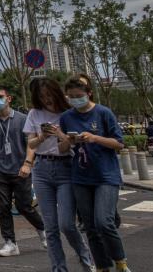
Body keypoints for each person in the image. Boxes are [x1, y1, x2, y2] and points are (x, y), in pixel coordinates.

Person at [59, 77, 130, 272]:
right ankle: (102, 267)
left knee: (104, 221)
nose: (75, 99)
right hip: (81, 177)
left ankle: (120, 262)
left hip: (106, 175)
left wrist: (95, 138)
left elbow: (119, 143)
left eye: (79, 96)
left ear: (88, 93)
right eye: (71, 97)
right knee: (90, 227)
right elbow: (62, 147)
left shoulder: (103, 113)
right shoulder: (66, 117)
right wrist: (68, 140)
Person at [24, 78, 95, 271]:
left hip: (65, 169)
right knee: (51, 228)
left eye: (49, 95)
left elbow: (67, 147)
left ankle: (86, 259)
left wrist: (61, 136)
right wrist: (43, 136)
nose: (46, 100)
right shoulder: (34, 113)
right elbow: (30, 145)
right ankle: (59, 268)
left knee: (67, 224)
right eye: (42, 97)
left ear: (56, 93)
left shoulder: (68, 113)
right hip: (42, 170)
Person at [0, 86, 46, 257]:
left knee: (24, 206)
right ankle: (10, 243)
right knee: (3, 208)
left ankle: (43, 230)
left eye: (0, 96)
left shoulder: (23, 119)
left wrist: (28, 163)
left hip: (21, 170)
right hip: (0, 171)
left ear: (9, 98)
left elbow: (31, 142)